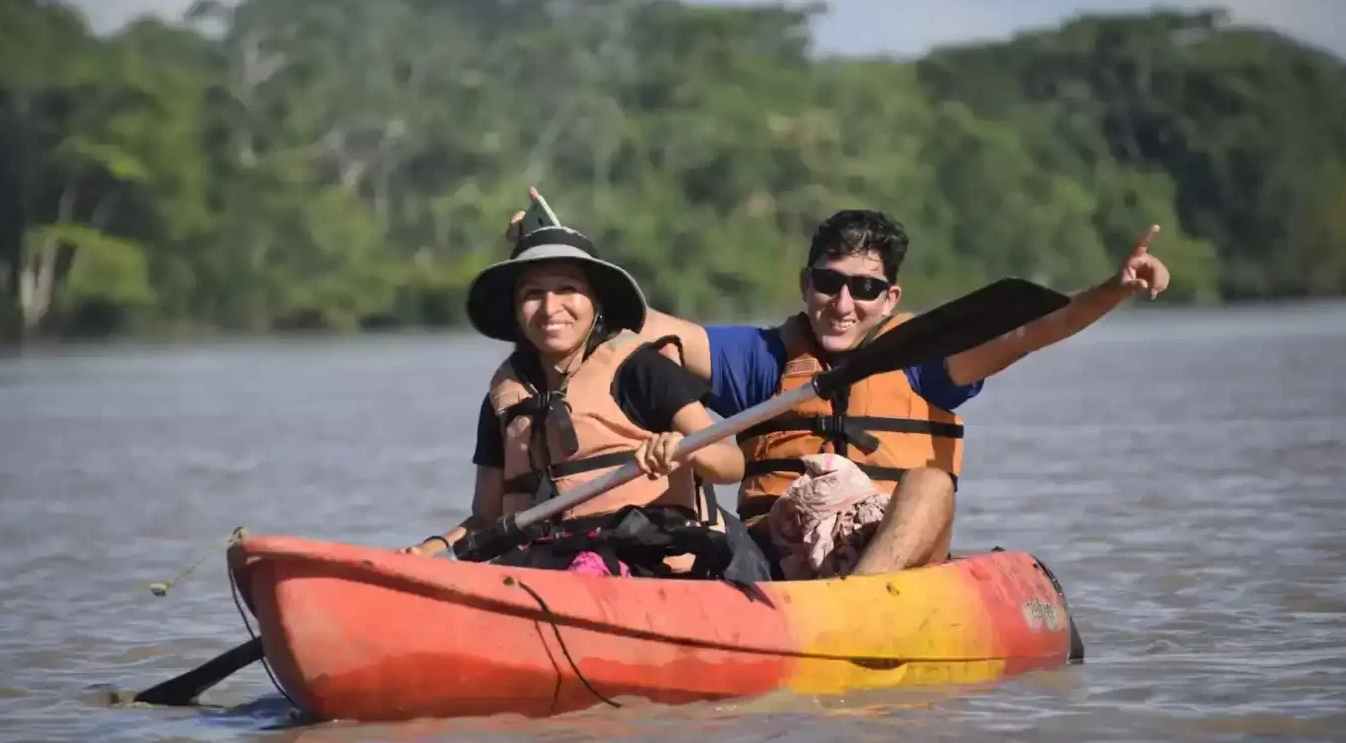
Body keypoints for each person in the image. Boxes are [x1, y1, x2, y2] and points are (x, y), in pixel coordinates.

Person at [500, 200, 1171, 579]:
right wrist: (547, 264)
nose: (843, 303)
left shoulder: (927, 360)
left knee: (932, 481)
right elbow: (637, 320)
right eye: (828, 283)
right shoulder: (762, 360)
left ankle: (861, 605)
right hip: (781, 563)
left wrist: (1115, 288)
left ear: (891, 297)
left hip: (889, 567)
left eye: (865, 288)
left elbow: (1035, 330)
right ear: (806, 285)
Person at [403, 224, 771, 582]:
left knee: (589, 566)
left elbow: (731, 463)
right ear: (515, 309)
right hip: (547, 567)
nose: (550, 308)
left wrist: (684, 449)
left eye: (568, 289)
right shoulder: (503, 401)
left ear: (596, 304)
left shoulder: (641, 371)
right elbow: (485, 518)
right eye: (533, 294)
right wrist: (430, 551)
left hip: (655, 563)